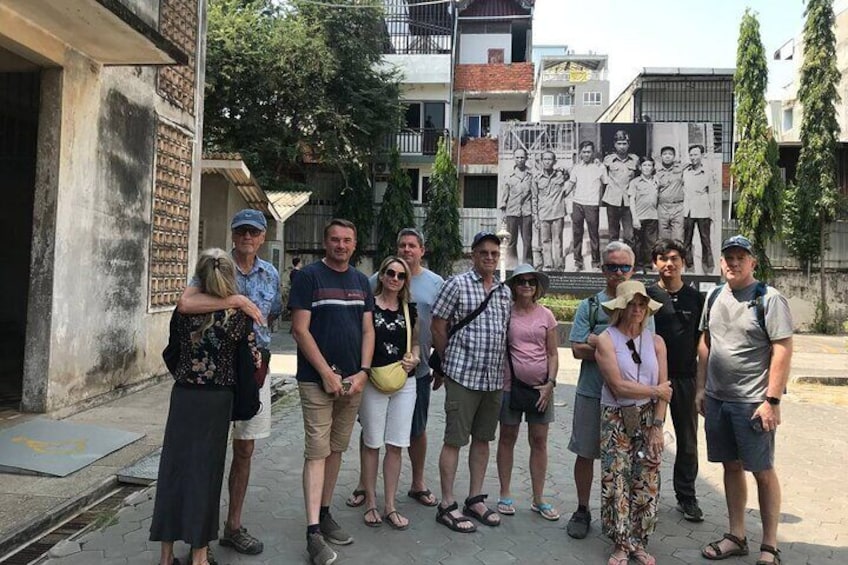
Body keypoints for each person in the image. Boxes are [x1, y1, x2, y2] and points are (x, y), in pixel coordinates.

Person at [176, 209, 281, 558]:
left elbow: (271, 320)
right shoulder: (216, 266)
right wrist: (235, 299)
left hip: (254, 368)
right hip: (215, 371)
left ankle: (232, 526)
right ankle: (198, 536)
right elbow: (186, 303)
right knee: (208, 452)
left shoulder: (271, 274)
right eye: (241, 232)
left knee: (246, 447)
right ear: (233, 236)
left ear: (264, 237)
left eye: (254, 232)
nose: (247, 238)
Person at [151, 249, 260, 565]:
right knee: (206, 475)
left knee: (174, 471)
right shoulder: (238, 317)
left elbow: (171, 351)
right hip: (217, 401)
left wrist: (188, 373)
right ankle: (199, 555)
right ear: (230, 277)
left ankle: (166, 555)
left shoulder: (183, 312)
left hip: (184, 396)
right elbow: (245, 365)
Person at [697, 235, 793, 565]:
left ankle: (770, 545)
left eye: (741, 257)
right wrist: (700, 388)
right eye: (729, 257)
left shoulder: (769, 298)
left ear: (753, 262)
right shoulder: (713, 297)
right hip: (718, 400)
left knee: (762, 470)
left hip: (753, 403)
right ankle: (736, 535)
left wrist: (773, 401)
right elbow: (706, 343)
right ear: (721, 262)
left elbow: (782, 348)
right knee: (730, 466)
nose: (734, 263)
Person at [289, 219, 375, 565]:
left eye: (347, 240)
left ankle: (325, 513)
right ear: (325, 243)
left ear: (355, 245)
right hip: (315, 380)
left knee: (337, 449)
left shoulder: (360, 281)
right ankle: (312, 532)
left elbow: (368, 331)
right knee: (317, 450)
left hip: (353, 381)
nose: (341, 245)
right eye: (335, 240)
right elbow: (299, 329)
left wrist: (364, 373)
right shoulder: (309, 277)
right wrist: (325, 372)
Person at [347, 228, 444, 510]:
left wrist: (439, 363)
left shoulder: (436, 283)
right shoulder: (375, 281)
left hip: (418, 370)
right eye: (402, 245)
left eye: (412, 245)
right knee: (371, 431)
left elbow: (440, 325)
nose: (406, 250)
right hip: (375, 372)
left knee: (415, 429)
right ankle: (366, 487)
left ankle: (418, 483)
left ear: (422, 250)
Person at [431, 231, 512, 533]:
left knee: (482, 440)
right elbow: (438, 327)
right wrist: (447, 363)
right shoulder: (457, 285)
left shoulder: (504, 292)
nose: (489, 258)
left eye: (494, 253)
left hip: (493, 379)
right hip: (462, 377)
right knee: (454, 440)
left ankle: (474, 499)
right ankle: (447, 504)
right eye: (484, 253)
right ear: (473, 255)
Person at [566, 241, 647, 540]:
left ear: (633, 269)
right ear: (603, 270)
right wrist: (615, 348)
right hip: (591, 392)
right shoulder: (589, 305)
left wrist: (598, 342)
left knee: (627, 458)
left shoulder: (640, 305)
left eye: (624, 266)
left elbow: (645, 349)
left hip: (629, 396)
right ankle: (582, 509)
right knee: (585, 453)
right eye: (612, 266)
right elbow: (576, 349)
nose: (618, 272)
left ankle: (621, 514)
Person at [595, 280, 671, 565]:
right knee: (616, 477)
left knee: (647, 477)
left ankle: (638, 541)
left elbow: (666, 386)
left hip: (650, 415)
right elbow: (618, 386)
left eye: (642, 304)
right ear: (621, 307)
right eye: (632, 304)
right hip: (616, 415)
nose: (637, 309)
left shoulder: (656, 341)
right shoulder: (607, 339)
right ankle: (620, 542)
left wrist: (658, 425)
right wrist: (656, 392)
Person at [358, 256, 421, 530]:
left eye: (401, 275)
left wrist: (415, 358)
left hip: (404, 382)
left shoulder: (410, 309)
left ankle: (390, 505)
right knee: (372, 442)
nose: (395, 279)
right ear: (381, 275)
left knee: (396, 444)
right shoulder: (368, 306)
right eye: (390, 273)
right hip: (373, 380)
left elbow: (416, 342)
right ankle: (371, 502)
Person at [646, 239, 705, 522]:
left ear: (683, 261)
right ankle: (644, 494)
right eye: (662, 258)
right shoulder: (645, 296)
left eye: (674, 258)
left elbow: (703, 342)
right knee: (646, 438)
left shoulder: (697, 299)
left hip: (684, 379)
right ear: (654, 263)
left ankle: (687, 496)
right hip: (649, 380)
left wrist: (702, 386)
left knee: (687, 441)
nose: (668, 263)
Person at [495, 264, 559, 521]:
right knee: (507, 437)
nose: (527, 286)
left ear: (537, 287)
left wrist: (551, 383)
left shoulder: (547, 316)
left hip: (541, 388)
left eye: (531, 282)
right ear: (514, 286)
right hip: (510, 386)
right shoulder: (506, 314)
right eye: (521, 281)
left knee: (539, 440)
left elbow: (553, 353)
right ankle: (504, 493)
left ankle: (539, 498)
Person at [566, 140, 608, 271]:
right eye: (584, 152)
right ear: (580, 153)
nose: (586, 154)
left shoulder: (600, 168)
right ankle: (578, 262)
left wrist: (602, 202)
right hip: (577, 203)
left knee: (593, 234)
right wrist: (560, 195)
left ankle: (596, 263)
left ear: (593, 153)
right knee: (577, 233)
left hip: (592, 205)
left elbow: (606, 184)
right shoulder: (576, 168)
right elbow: (570, 185)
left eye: (589, 152)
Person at [532, 151, 569, 271]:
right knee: (545, 241)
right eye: (545, 159)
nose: (547, 161)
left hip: (558, 213)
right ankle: (548, 265)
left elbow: (572, 175)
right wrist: (535, 217)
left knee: (558, 240)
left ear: (554, 161)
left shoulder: (560, 175)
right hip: (543, 214)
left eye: (550, 159)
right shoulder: (537, 178)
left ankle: (559, 266)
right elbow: (534, 199)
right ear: (541, 161)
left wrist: (565, 170)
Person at [602, 130, 639, 246]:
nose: (622, 147)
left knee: (629, 235)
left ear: (628, 144)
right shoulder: (608, 160)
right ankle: (613, 261)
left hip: (628, 202)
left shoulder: (635, 160)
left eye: (624, 143)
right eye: (619, 143)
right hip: (612, 200)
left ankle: (629, 261)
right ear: (614, 144)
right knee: (613, 235)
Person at [682, 144, 715, 274]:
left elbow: (712, 194)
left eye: (696, 154)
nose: (693, 157)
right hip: (688, 210)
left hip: (703, 210)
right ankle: (689, 266)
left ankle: (708, 267)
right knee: (687, 241)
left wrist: (712, 213)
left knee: (705, 240)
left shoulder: (708, 173)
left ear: (702, 155)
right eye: (691, 155)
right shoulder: (685, 172)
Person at [499, 148, 534, 265]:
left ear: (526, 158)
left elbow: (534, 194)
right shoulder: (509, 176)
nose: (520, 160)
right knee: (511, 241)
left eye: (522, 157)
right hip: (512, 212)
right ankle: (512, 264)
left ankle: (527, 264)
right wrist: (503, 213)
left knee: (527, 241)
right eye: (517, 157)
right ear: (514, 158)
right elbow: (504, 195)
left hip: (526, 212)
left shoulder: (531, 175)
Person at [628, 156, 660, 272]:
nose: (647, 168)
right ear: (640, 167)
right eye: (645, 165)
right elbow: (631, 200)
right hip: (639, 217)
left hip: (653, 216)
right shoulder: (635, 182)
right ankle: (639, 266)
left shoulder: (656, 181)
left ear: (653, 167)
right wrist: (634, 218)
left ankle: (648, 265)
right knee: (638, 244)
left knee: (651, 244)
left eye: (649, 165)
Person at [655, 146, 685, 242]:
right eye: (665, 154)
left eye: (670, 154)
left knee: (678, 237)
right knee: (663, 238)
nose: (667, 156)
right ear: (661, 157)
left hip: (678, 207)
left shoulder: (681, 169)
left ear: (674, 156)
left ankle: (677, 256)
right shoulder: (656, 171)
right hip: (662, 206)